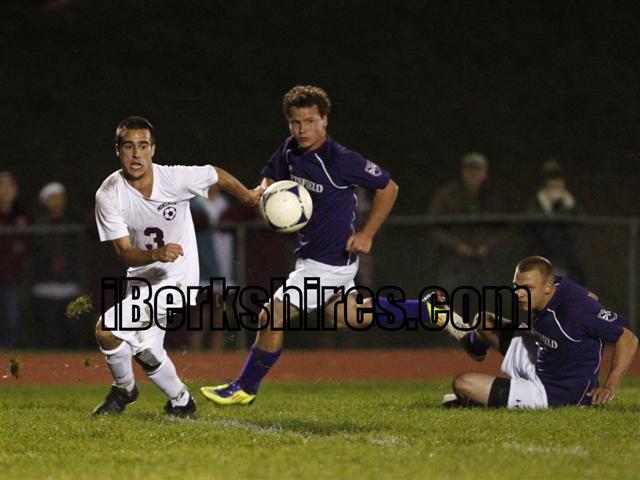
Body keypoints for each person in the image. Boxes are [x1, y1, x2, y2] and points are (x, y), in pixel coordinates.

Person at [201, 85, 399, 405]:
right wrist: (263, 193)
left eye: (309, 121)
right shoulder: (290, 149)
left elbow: (389, 187)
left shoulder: (340, 159)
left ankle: (244, 388)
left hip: (329, 262)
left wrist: (367, 234)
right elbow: (269, 180)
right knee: (348, 316)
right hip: (313, 257)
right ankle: (427, 310)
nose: (302, 129)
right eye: (295, 122)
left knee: (271, 315)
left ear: (324, 120)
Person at [93, 116, 260, 416]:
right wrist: (156, 254)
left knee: (107, 330)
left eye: (143, 146)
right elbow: (125, 253)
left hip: (179, 279)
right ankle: (182, 401)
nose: (136, 154)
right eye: (129, 146)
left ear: (153, 149)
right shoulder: (108, 194)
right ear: (117, 150)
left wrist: (248, 197)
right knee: (146, 349)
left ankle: (124, 389)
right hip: (142, 279)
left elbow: (215, 174)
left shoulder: (173, 179)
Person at [439, 256, 638, 408]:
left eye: (528, 288)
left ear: (548, 287)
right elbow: (591, 295)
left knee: (463, 383)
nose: (519, 294)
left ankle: (479, 400)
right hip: (540, 355)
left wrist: (609, 387)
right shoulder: (557, 284)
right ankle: (473, 345)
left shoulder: (574, 311)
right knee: (484, 321)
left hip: (553, 392)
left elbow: (628, 338)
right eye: (516, 287)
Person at [428, 152, 505, 297]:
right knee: (451, 300)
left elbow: (502, 229)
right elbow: (434, 227)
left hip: (484, 261)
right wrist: (457, 245)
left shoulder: (492, 197)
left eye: (478, 170)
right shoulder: (447, 195)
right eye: (470, 170)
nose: (473, 174)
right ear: (462, 172)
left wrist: (487, 245)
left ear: (485, 173)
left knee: (484, 300)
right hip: (453, 261)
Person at [31, 182, 83, 348]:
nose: (57, 201)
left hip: (69, 285)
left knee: (72, 333)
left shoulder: (72, 222)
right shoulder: (37, 224)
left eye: (60, 197)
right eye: (53, 198)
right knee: (47, 333)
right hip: (45, 285)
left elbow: (78, 252)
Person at [526, 159, 586, 284]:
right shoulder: (537, 202)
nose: (556, 191)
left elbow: (579, 223)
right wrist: (546, 206)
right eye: (552, 187)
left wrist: (569, 205)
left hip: (566, 256)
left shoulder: (568, 202)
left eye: (559, 187)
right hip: (542, 252)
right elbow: (534, 227)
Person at [0, 171, 30, 349]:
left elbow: (26, 244)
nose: (5, 190)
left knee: (11, 318)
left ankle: (8, 352)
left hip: (12, 276)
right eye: (2, 185)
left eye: (9, 186)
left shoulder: (21, 215)